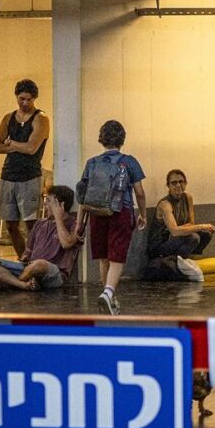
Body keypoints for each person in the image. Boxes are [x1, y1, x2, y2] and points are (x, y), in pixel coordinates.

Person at [78, 120, 147, 315]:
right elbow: (139, 192)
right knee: (117, 257)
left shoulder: (92, 163)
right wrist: (143, 214)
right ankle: (108, 293)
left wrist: (79, 223)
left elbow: (83, 196)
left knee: (104, 257)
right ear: (122, 139)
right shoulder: (129, 162)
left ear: (101, 139)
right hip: (120, 212)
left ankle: (109, 296)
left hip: (96, 213)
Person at [0, 186, 83, 291]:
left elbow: (66, 243)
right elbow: (28, 252)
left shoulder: (74, 223)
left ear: (60, 205)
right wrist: (25, 257)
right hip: (30, 269)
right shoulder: (40, 223)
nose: (45, 204)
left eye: (48, 201)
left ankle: (11, 282)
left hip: (53, 273)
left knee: (40, 264)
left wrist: (58, 218)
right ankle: (23, 285)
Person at [0, 78, 50, 259]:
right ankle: (23, 257)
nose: (25, 103)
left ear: (34, 99)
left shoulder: (41, 119)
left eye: (29, 100)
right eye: (21, 99)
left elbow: (32, 148)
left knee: (31, 223)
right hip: (9, 175)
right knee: (11, 225)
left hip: (29, 175)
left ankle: (35, 257)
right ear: (16, 97)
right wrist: (18, 146)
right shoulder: (8, 118)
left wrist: (11, 143)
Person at [144, 169, 215, 282]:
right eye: (174, 183)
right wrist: (201, 226)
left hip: (176, 238)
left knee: (206, 234)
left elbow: (191, 223)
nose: (178, 185)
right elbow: (174, 231)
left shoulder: (188, 198)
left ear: (185, 183)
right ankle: (174, 261)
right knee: (194, 237)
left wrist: (185, 229)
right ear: (168, 186)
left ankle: (181, 258)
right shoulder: (165, 204)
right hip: (160, 245)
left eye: (181, 182)